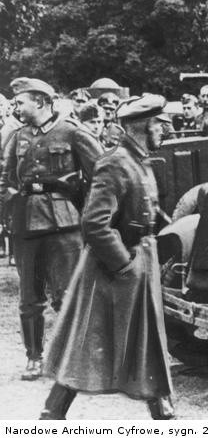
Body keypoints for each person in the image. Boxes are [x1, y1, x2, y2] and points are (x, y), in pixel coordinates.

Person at [41, 94, 176, 420]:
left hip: (138, 262)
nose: (166, 129)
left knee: (148, 344)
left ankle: (165, 415)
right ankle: (50, 418)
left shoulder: (138, 160)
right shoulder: (116, 162)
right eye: (160, 123)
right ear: (144, 125)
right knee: (82, 347)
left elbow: (149, 211)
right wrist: (125, 265)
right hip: (114, 271)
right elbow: (95, 224)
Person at [0, 78, 103, 381]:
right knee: (29, 297)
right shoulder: (16, 137)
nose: (16, 106)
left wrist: (90, 213)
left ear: (41, 102)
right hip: (25, 224)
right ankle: (35, 358)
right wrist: (8, 209)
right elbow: (4, 178)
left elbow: (100, 174)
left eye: (21, 102)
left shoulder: (72, 132)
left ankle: (76, 357)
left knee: (68, 294)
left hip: (64, 223)